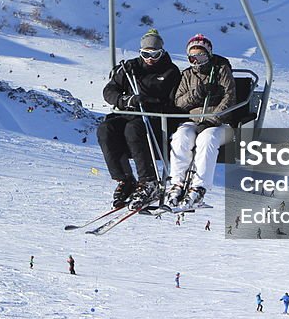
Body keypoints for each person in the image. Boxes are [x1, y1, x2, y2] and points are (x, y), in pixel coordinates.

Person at [97, 29, 181, 209]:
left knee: (133, 129)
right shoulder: (130, 68)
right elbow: (109, 91)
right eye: (145, 54)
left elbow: (175, 102)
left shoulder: (170, 72)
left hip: (155, 120)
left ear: (162, 52)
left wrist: (152, 104)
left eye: (155, 54)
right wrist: (125, 100)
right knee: (106, 129)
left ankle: (148, 181)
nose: (150, 58)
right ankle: (125, 178)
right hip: (130, 113)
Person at [166, 34, 236, 209]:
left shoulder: (221, 70)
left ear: (209, 54)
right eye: (192, 57)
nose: (197, 61)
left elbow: (230, 98)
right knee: (181, 136)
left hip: (220, 124)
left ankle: (199, 187)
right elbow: (178, 102)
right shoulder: (187, 75)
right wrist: (195, 94)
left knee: (207, 139)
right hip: (194, 120)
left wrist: (213, 119)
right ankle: (177, 183)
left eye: (201, 56)